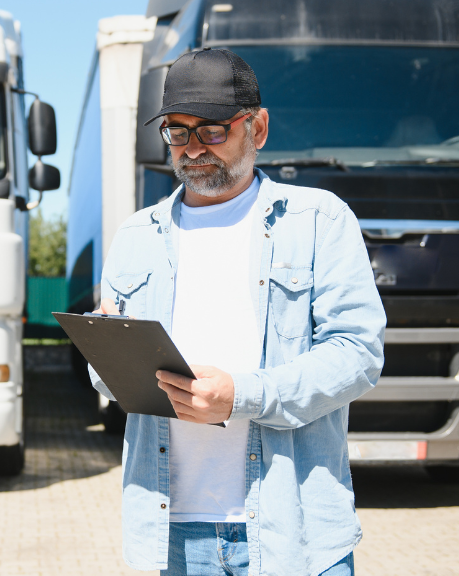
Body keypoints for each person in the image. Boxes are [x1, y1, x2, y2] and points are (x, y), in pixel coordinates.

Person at [88, 48, 386, 576]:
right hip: (172, 536)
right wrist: (107, 355)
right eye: (177, 132)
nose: (192, 148)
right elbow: (108, 379)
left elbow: (357, 354)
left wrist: (240, 397)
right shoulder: (135, 236)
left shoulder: (318, 220)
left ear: (259, 127)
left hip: (292, 533)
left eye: (212, 130)